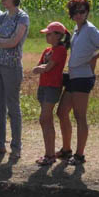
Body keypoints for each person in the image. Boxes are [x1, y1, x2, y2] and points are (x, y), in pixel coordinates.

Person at [56, 0, 99, 165]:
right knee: (61, 112)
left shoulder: (89, 29)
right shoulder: (77, 29)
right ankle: (66, 150)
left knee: (80, 116)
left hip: (83, 77)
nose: (79, 15)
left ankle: (80, 155)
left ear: (87, 12)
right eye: (75, 12)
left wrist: (96, 57)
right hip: (74, 76)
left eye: (82, 11)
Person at [0, 0, 29, 158]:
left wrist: (1, 41)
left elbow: (14, 42)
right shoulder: (2, 17)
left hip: (12, 66)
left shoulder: (22, 17)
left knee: (13, 106)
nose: (3, 1)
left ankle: (16, 147)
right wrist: (5, 41)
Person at [30, 22, 70, 166]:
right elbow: (41, 65)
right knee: (46, 121)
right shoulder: (47, 50)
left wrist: (40, 68)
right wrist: (41, 68)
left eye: (49, 34)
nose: (47, 36)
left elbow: (47, 67)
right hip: (44, 86)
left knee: (44, 118)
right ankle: (49, 153)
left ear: (58, 36)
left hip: (53, 87)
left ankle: (50, 155)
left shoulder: (60, 50)